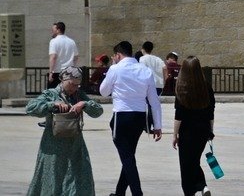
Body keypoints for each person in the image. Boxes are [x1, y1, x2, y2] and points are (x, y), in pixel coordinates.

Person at [100, 40, 163, 196]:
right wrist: (157, 125)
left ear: (118, 55)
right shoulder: (145, 70)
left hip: (121, 116)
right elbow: (154, 101)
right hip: (139, 117)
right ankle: (119, 192)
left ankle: (137, 193)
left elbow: (103, 91)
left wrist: (111, 69)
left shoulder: (115, 69)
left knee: (127, 158)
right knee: (128, 156)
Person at [27, 67, 102, 196]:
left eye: (77, 85)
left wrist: (84, 104)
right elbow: (30, 108)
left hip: (75, 146)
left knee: (78, 181)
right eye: (71, 84)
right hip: (53, 146)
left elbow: (98, 111)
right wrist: (52, 105)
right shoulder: (51, 94)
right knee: (53, 179)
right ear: (62, 79)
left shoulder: (79, 95)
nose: (74, 88)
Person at [171, 55, 216, 196]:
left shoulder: (181, 87)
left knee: (186, 165)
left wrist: (174, 135)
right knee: (194, 161)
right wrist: (210, 131)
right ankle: (202, 186)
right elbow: (211, 112)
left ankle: (191, 191)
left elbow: (179, 116)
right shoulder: (206, 87)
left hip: (187, 132)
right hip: (203, 130)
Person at [48, 20, 79, 88]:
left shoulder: (53, 41)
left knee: (53, 93)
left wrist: (51, 73)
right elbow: (76, 57)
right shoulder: (72, 42)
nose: (52, 31)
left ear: (58, 30)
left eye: (53, 30)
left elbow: (53, 57)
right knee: (67, 92)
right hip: (69, 72)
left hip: (58, 72)